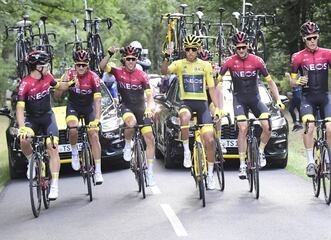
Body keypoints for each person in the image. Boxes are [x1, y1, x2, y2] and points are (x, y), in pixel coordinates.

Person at [217, 32, 285, 179]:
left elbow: (270, 82)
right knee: (243, 128)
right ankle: (242, 164)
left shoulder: (257, 61)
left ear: (248, 45)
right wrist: (218, 104)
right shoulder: (229, 62)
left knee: (267, 126)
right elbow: (218, 82)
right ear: (234, 47)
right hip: (239, 100)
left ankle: (260, 152)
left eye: (243, 47)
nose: (241, 50)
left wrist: (278, 99)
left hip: (255, 99)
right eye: (238, 47)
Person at [161, 35, 222, 190]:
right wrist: (166, 57)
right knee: (184, 116)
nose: (190, 52)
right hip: (186, 103)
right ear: (184, 50)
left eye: (193, 49)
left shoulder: (205, 66)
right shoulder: (180, 64)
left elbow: (212, 88)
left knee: (209, 140)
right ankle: (187, 152)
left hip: (202, 105)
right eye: (187, 49)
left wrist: (218, 107)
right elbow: (164, 72)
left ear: (198, 50)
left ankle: (210, 174)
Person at [290, 21, 331, 177]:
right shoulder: (298, 57)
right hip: (307, 98)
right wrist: (297, 81)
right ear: (304, 39)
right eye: (309, 38)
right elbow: (292, 81)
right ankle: (310, 162)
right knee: (309, 126)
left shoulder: (327, 53)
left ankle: (328, 160)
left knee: (330, 128)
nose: (312, 41)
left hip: (324, 96)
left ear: (318, 36)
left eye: (314, 37)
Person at [99, 45, 157, 186]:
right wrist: (109, 54)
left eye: (133, 59)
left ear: (136, 60)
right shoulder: (118, 72)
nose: (131, 61)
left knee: (150, 139)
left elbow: (149, 96)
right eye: (128, 59)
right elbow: (102, 66)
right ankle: (127, 144)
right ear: (124, 60)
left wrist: (150, 108)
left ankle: (150, 173)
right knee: (130, 123)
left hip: (141, 108)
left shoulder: (142, 75)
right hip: (126, 107)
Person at [16, 50, 70, 200]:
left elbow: (60, 87)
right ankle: (31, 161)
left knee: (52, 147)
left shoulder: (48, 77)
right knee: (24, 140)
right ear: (38, 68)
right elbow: (20, 108)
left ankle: (54, 186)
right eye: (46, 65)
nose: (48, 68)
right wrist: (22, 127)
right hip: (32, 119)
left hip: (47, 118)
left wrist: (69, 81)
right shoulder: (25, 83)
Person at [57, 50, 104, 185]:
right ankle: (74, 153)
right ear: (75, 65)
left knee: (94, 135)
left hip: (89, 108)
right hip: (74, 107)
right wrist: (65, 82)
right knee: (72, 129)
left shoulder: (93, 77)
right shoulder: (70, 74)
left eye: (84, 65)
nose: (81, 67)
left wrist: (97, 119)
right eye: (78, 65)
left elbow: (97, 101)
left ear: (88, 65)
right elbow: (57, 96)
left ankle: (98, 171)